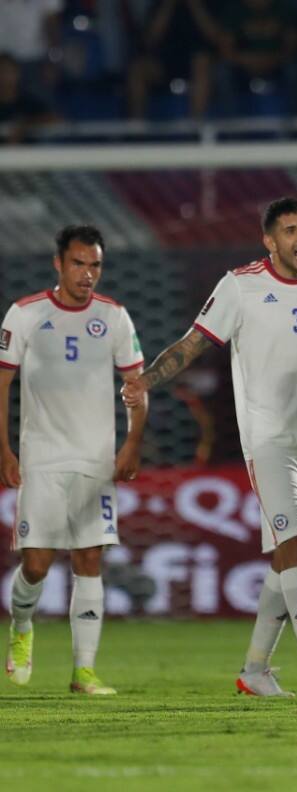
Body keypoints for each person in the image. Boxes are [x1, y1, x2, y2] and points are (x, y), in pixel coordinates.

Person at [122, 197, 297, 697]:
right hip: (268, 440)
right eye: (290, 230)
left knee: (295, 554)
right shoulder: (241, 286)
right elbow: (191, 344)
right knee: (295, 545)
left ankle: (255, 669)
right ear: (270, 241)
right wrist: (146, 380)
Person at [2, 225, 146, 695]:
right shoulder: (26, 314)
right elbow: (1, 383)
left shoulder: (114, 317)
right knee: (37, 565)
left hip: (95, 460)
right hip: (41, 458)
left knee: (89, 558)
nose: (88, 274)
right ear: (59, 264)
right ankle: (22, 626)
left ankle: (83, 671)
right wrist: (4, 449)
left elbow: (136, 386)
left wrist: (132, 442)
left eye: (95, 265)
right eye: (79, 264)